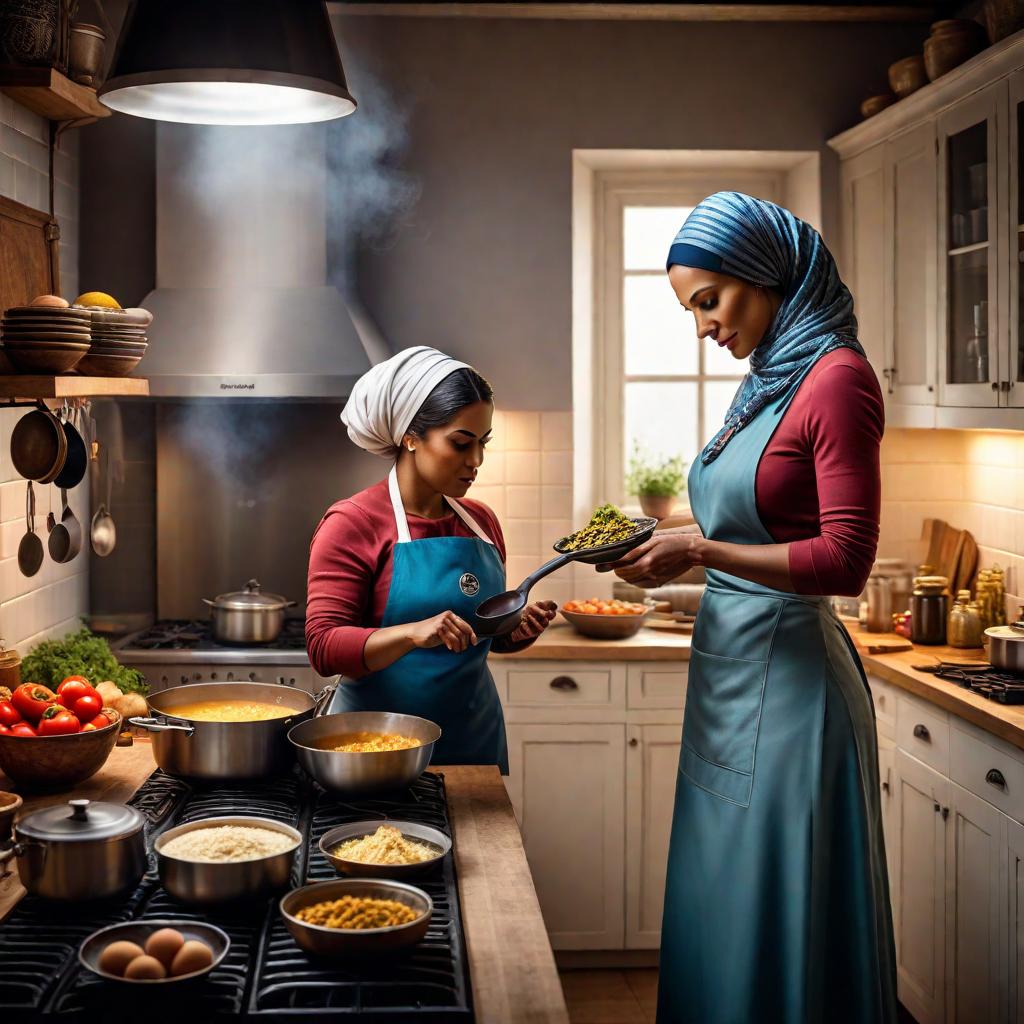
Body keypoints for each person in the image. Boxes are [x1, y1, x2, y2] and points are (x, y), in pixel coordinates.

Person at [602, 193, 897, 1023]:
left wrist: (693, 551)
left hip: (793, 693)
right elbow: (757, 519)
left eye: (709, 300)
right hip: (729, 683)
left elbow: (846, 561)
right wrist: (673, 539)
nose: (701, 327)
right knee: (720, 893)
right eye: (691, 308)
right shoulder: (773, 379)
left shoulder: (838, 379)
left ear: (764, 276)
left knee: (775, 900)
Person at [306, 346, 556, 772]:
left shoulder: (481, 521)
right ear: (410, 436)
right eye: (461, 443)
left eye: (482, 444)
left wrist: (514, 631)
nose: (475, 461)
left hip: (474, 742)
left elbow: (478, 638)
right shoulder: (354, 522)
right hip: (376, 749)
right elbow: (324, 646)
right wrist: (412, 633)